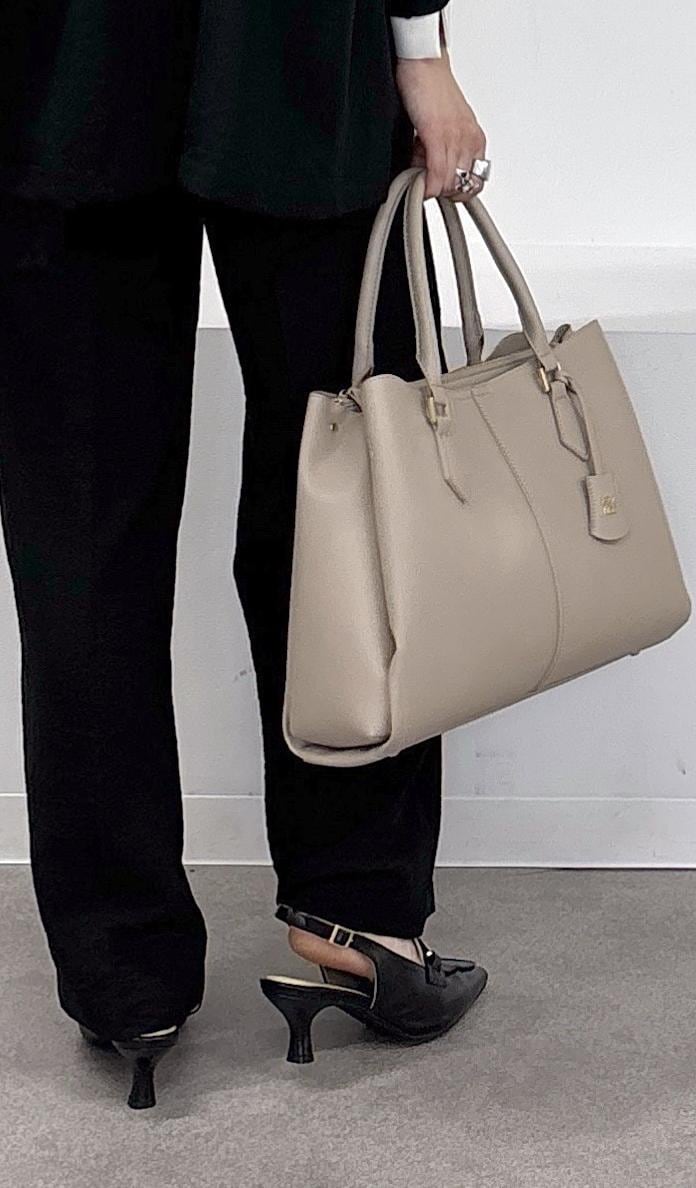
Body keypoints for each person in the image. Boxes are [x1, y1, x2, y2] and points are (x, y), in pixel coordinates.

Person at [0, 1, 490, 1109]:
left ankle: (123, 975)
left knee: (80, 525)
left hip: (55, 61)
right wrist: (421, 52)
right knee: (346, 500)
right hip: (291, 47)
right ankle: (358, 915)